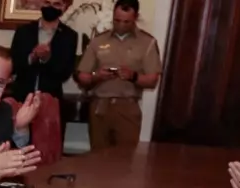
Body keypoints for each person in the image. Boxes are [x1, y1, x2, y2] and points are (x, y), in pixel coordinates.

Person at [75, 0, 162, 150]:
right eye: (117, 20)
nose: (121, 25)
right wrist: (97, 76)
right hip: (100, 107)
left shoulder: (147, 43)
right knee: (98, 157)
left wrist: (133, 76)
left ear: (136, 18)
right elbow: (82, 76)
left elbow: (152, 80)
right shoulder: (98, 41)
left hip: (127, 107)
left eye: (126, 22)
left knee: (125, 159)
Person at [9, 0, 78, 101]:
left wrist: (48, 59)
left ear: (64, 7)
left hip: (51, 98)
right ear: (41, 4)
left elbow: (65, 73)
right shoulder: (23, 31)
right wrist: (32, 57)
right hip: (21, 95)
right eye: (47, 2)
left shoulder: (69, 36)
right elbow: (13, 65)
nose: (51, 7)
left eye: (56, 4)